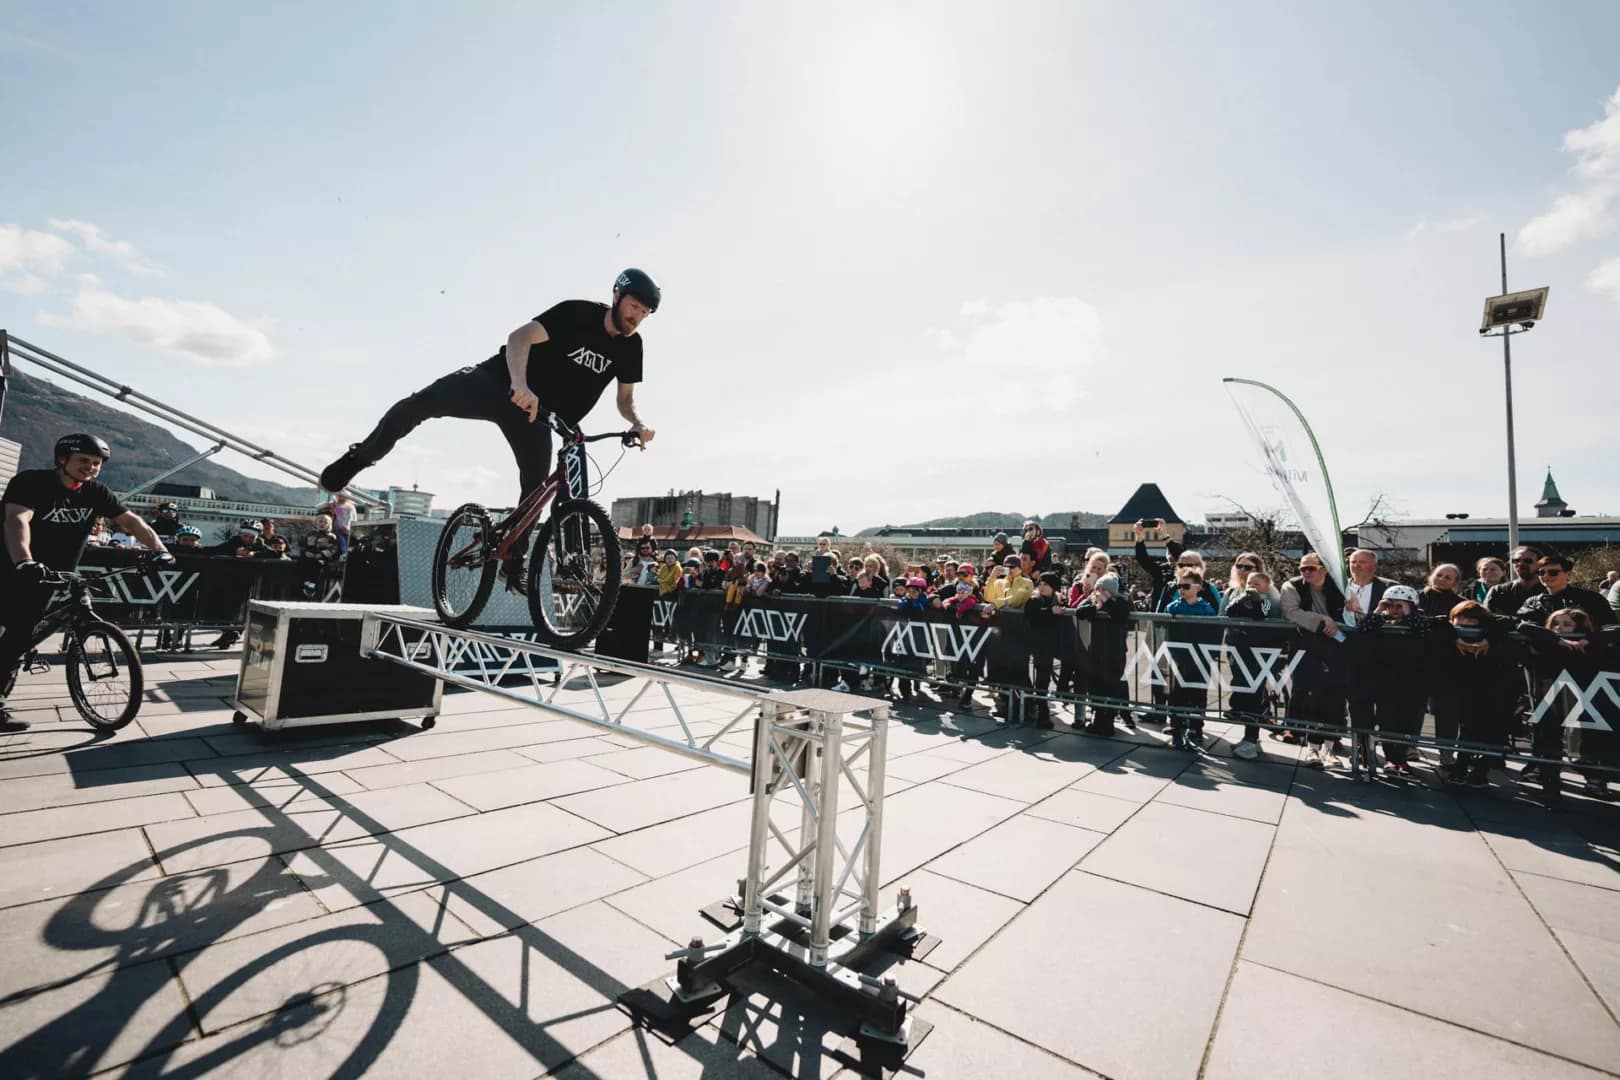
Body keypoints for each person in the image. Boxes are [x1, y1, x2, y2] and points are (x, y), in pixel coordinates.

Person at [318, 269, 660, 591]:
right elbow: (520, 337)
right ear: (616, 296)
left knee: (535, 490)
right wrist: (519, 383)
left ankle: (513, 560)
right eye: (633, 307)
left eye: (644, 313)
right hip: (497, 384)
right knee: (418, 405)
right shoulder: (576, 313)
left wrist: (638, 423)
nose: (636, 317)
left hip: (538, 416)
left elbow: (626, 399)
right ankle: (359, 457)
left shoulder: (632, 346)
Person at [1, 434, 176, 730]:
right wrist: (24, 561)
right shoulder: (31, 482)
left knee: (20, 636)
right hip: (13, 566)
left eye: (96, 463)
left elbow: (130, 521)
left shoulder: (96, 492)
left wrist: (160, 550)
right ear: (62, 459)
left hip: (50, 574)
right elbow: (18, 519)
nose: (91, 467)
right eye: (84, 460)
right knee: (12, 631)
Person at [1348, 585, 1436, 778]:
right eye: (1391, 606)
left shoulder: (1419, 620)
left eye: (1399, 606)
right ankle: (1391, 758)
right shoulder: (1380, 620)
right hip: (1385, 679)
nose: (1394, 610)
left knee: (1407, 721)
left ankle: (1401, 758)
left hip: (1411, 680)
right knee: (1387, 720)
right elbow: (1364, 629)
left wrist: (1407, 613)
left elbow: (1422, 627)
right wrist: (1380, 610)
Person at [1224, 569, 1280, 759]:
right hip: (1241, 649)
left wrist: (1255, 600)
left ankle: (1250, 737)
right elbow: (1229, 612)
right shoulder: (1238, 597)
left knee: (1254, 689)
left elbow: (1261, 616)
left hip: (1260, 650)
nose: (1252, 587)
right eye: (1250, 583)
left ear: (1266, 587)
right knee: (1240, 682)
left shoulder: (1266, 601)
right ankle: (1238, 710)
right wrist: (1241, 600)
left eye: (1257, 584)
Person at [1163, 571, 1217, 750]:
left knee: (1198, 693)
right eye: (1179, 586)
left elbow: (1212, 634)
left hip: (1200, 658)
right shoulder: (1173, 607)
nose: (1181, 590)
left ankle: (1195, 728)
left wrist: (1210, 655)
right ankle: (1177, 727)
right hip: (1180, 656)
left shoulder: (1207, 610)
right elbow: (1162, 622)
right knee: (1177, 693)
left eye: (1186, 586)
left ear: (1198, 588)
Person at [1073, 573, 1132, 735]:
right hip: (1097, 650)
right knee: (1096, 684)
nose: (1099, 591)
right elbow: (1080, 611)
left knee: (1112, 684)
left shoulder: (1120, 600)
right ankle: (1098, 718)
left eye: (1103, 589)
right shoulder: (1092, 599)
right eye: (1098, 588)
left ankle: (1109, 720)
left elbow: (1122, 614)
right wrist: (1096, 607)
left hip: (1115, 650)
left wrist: (1106, 602)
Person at [1515, 554, 1617, 630]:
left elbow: (1611, 626)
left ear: (1568, 574)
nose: (1545, 576)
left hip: (1583, 653)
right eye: (1541, 572)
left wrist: (1590, 639)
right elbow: (1521, 626)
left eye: (1553, 572)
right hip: (1545, 653)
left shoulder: (1590, 598)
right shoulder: (1532, 602)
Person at [1485, 546, 1544, 616]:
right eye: (1516, 561)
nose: (1520, 564)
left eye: (1527, 561)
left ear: (1539, 564)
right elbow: (1488, 618)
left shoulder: (1548, 591)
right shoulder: (1498, 591)